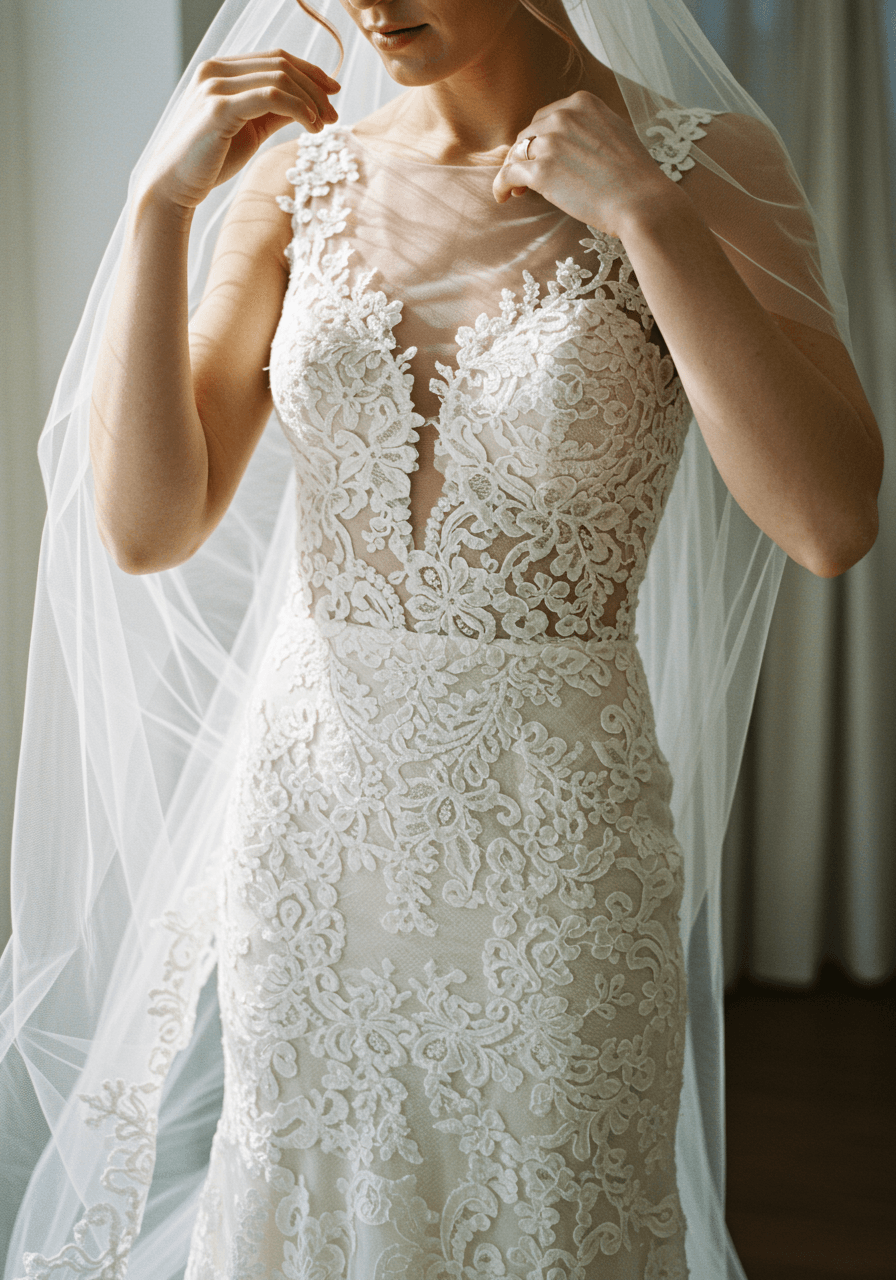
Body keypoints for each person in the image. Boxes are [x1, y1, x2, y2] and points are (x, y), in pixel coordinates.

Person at [0, 1, 882, 1277]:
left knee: (548, 1212)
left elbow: (827, 519)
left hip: (553, 847)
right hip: (313, 837)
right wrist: (157, 208)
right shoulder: (299, 182)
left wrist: (647, 215)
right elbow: (146, 524)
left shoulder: (702, 166)